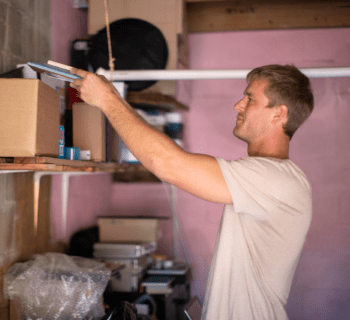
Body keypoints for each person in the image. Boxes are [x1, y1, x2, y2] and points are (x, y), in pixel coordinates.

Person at [70, 64, 314, 320]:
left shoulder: (275, 179)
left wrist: (107, 101)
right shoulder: (275, 177)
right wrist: (112, 98)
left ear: (279, 114)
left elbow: (167, 163)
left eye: (250, 98)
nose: (238, 105)